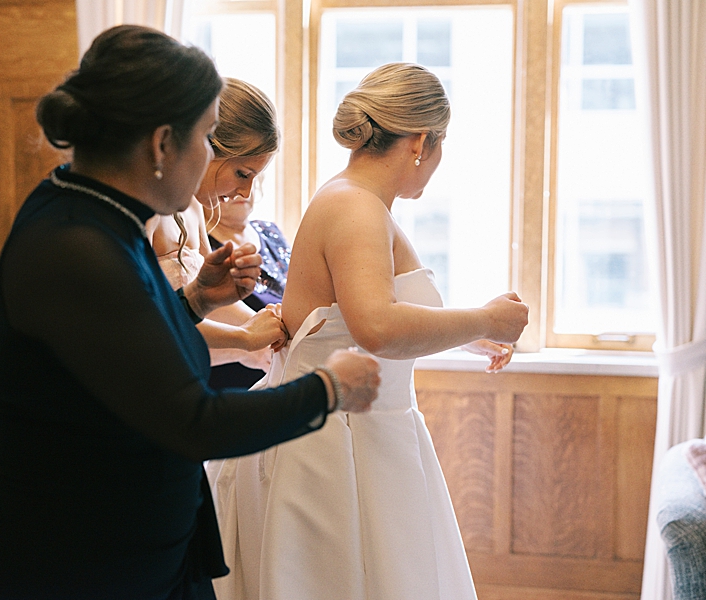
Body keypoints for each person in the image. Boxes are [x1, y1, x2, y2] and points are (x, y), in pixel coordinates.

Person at [0, 25, 380, 600]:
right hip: (54, 566)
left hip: (128, 559)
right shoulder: (75, 246)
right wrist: (328, 389)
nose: (211, 161)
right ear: (163, 143)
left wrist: (196, 300)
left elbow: (117, 350)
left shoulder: (99, 219)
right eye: (208, 137)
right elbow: (192, 422)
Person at [208, 62, 530, 600]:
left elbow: (351, 320)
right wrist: (486, 318)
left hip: (366, 436)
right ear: (423, 142)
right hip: (338, 446)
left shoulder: (359, 200)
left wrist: (464, 335)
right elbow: (376, 326)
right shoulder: (356, 207)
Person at [147, 77, 284, 377]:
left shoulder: (194, 208)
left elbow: (207, 304)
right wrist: (245, 340)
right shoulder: (148, 212)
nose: (246, 193)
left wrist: (276, 329)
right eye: (242, 173)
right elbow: (145, 322)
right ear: (207, 146)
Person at [205, 183, 290, 390]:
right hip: (234, 380)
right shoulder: (205, 248)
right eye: (239, 174)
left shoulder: (270, 231)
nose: (243, 189)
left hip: (281, 367)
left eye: (252, 176)